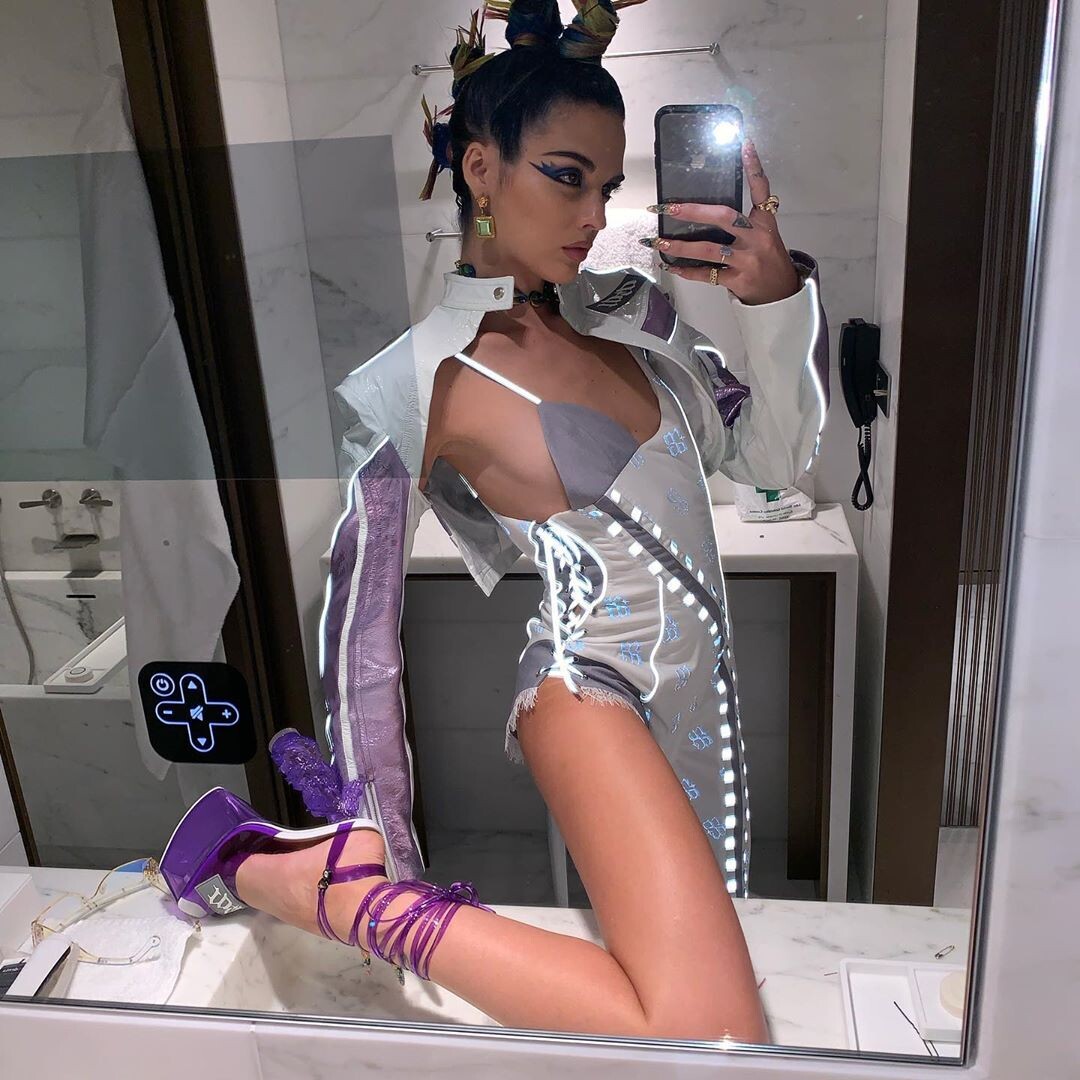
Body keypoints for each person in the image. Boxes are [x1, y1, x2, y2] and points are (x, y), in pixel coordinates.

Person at [159, 0, 828, 1042]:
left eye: (605, 186)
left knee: (695, 994)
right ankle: (313, 884)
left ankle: (301, 876)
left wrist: (776, 299)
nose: (592, 214)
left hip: (705, 689)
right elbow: (360, 633)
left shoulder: (637, 313)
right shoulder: (418, 379)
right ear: (480, 169)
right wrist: (374, 830)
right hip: (588, 686)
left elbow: (775, 463)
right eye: (566, 175)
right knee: (712, 1032)